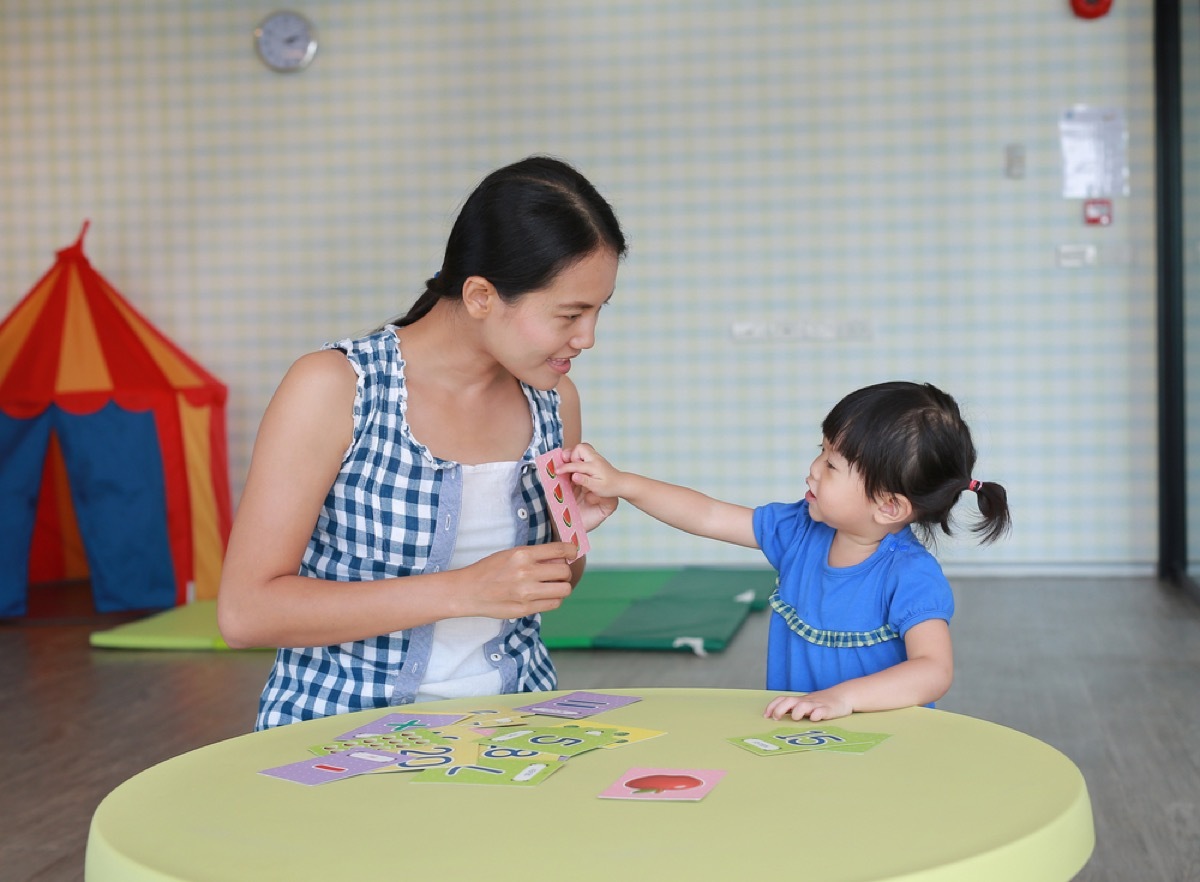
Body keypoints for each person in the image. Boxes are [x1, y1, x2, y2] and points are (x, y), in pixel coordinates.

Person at [217, 156, 626, 730]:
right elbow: (246, 613)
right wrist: (462, 590)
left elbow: (544, 587)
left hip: (517, 730)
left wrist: (572, 538)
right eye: (569, 314)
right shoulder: (337, 387)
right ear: (481, 295)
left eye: (597, 311)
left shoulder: (555, 401)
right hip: (339, 739)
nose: (587, 338)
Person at [559, 381, 1011, 723]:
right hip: (799, 733)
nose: (813, 471)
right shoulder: (799, 530)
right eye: (821, 451)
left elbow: (933, 670)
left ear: (889, 505)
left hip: (884, 741)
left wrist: (844, 698)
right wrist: (624, 484)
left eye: (832, 465)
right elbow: (709, 515)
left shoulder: (909, 574)